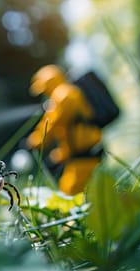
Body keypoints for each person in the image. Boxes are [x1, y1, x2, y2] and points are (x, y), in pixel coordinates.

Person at [27, 64, 103, 195]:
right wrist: (59, 155)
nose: (44, 93)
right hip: (83, 155)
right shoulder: (67, 94)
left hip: (85, 157)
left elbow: (51, 124)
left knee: (70, 193)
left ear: (49, 83)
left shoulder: (63, 95)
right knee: (82, 192)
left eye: (44, 89)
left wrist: (35, 141)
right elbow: (68, 132)